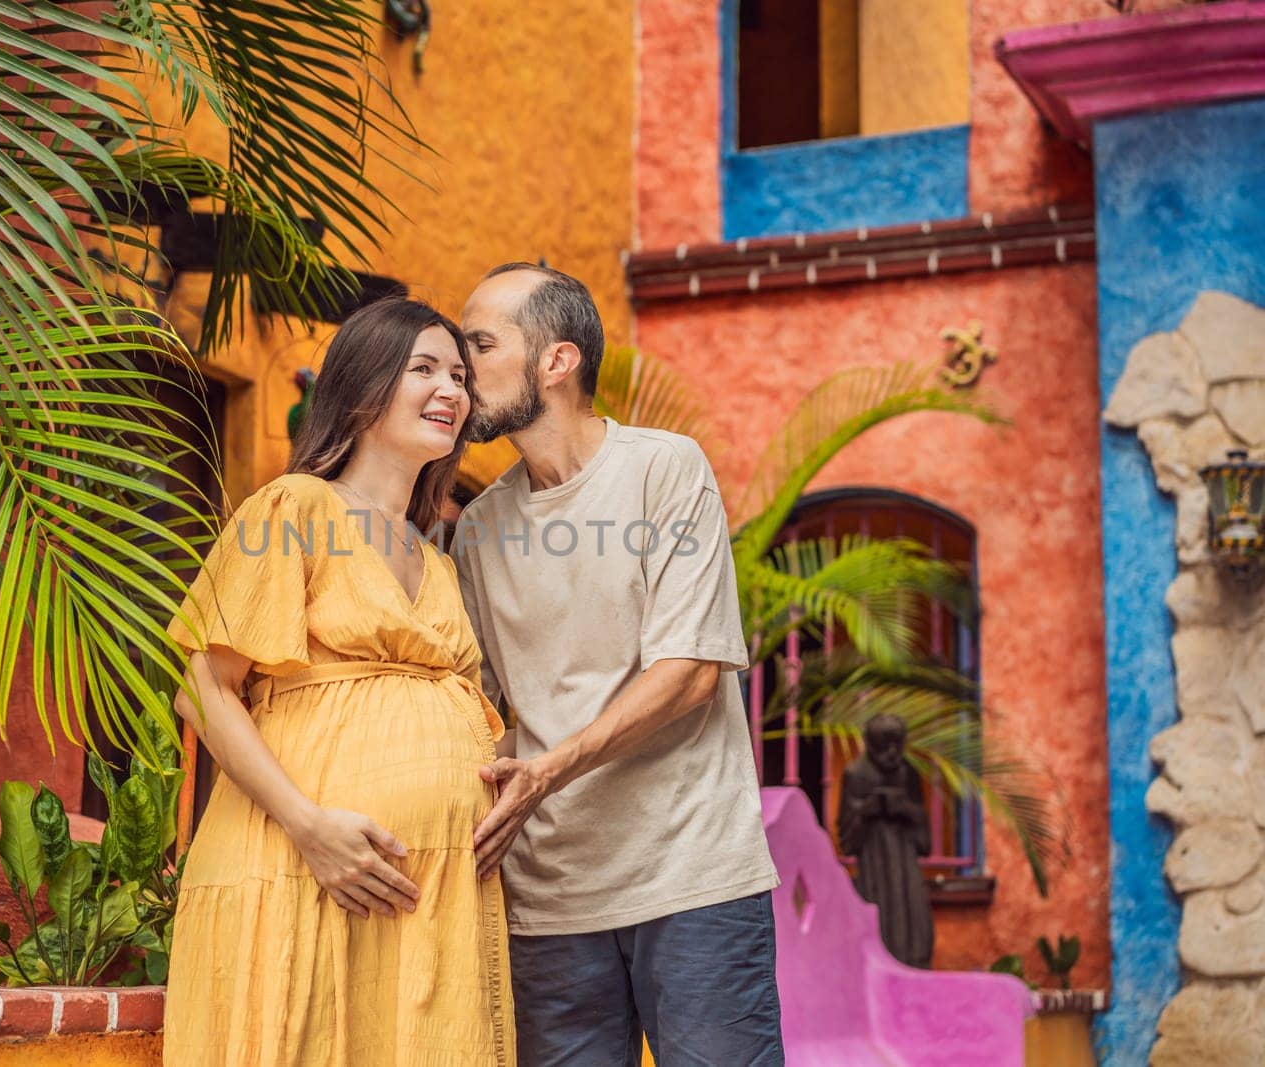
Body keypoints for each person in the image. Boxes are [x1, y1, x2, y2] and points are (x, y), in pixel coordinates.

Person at [162, 298, 514, 1065]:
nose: (451, 389)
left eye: (459, 374)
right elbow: (203, 686)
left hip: (431, 904)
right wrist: (309, 826)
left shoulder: (439, 559)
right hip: (302, 867)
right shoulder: (293, 506)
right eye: (423, 368)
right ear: (360, 388)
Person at [450, 263, 783, 1065]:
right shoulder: (478, 529)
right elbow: (487, 712)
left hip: (692, 879)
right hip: (548, 902)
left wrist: (548, 770)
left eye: (482, 343)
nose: (462, 366)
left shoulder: (664, 470)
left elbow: (691, 668)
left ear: (556, 362)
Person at [838, 713, 934, 969]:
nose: (892, 753)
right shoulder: (856, 774)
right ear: (870, 743)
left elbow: (922, 829)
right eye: (884, 745)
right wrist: (869, 808)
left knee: (914, 920)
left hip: (905, 859)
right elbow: (847, 835)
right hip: (874, 862)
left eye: (897, 745)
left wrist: (902, 807)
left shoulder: (908, 773)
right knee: (880, 918)